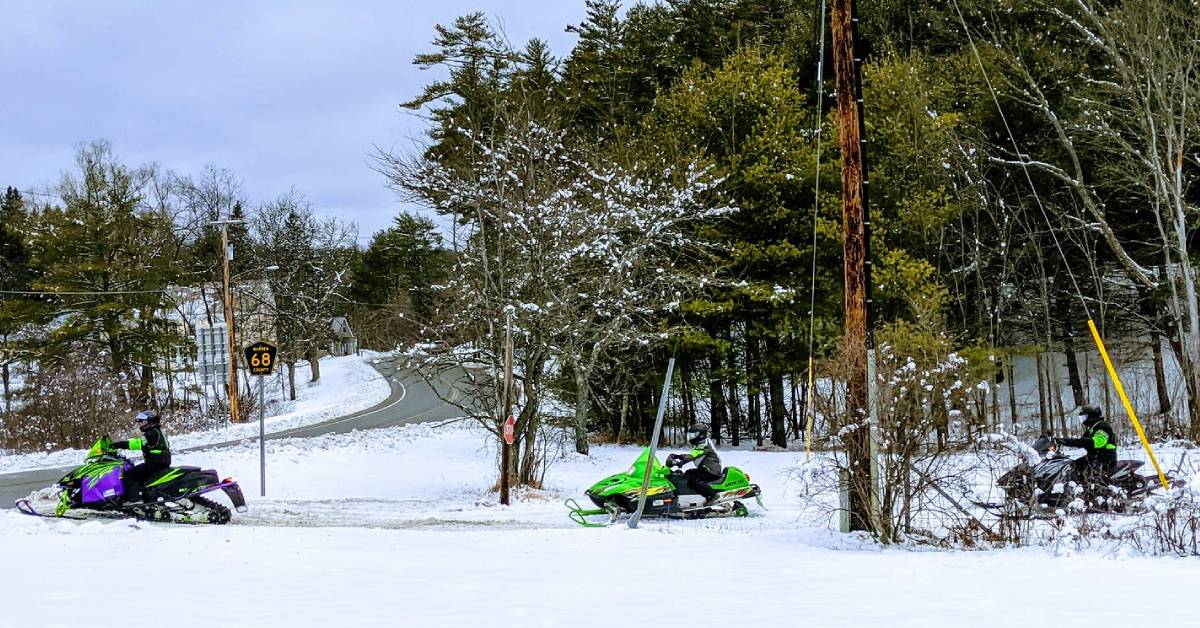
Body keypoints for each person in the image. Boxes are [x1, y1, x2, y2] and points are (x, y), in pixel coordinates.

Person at [111, 410, 172, 502]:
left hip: (155, 463)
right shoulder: (158, 431)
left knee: (129, 474)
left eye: (141, 422)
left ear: (147, 422)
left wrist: (119, 444)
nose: (140, 425)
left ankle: (135, 499)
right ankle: (144, 494)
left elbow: (137, 444)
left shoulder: (151, 433)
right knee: (140, 475)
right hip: (161, 462)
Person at [1057, 404, 1117, 480]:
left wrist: (1070, 442)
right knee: (1073, 465)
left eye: (1084, 417)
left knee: (1085, 474)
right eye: (1082, 418)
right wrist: (1066, 442)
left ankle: (1088, 489)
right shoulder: (1091, 428)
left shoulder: (1102, 426)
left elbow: (1098, 442)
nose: (1083, 420)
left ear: (1091, 416)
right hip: (1094, 458)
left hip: (1105, 460)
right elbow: (1081, 441)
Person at [672, 423, 723, 507]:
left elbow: (693, 455)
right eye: (691, 435)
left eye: (694, 435)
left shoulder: (704, 444)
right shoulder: (702, 443)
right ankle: (694, 496)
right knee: (688, 473)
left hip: (711, 470)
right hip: (707, 468)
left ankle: (711, 495)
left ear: (700, 435)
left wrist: (683, 461)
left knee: (694, 480)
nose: (691, 437)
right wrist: (679, 456)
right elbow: (694, 454)